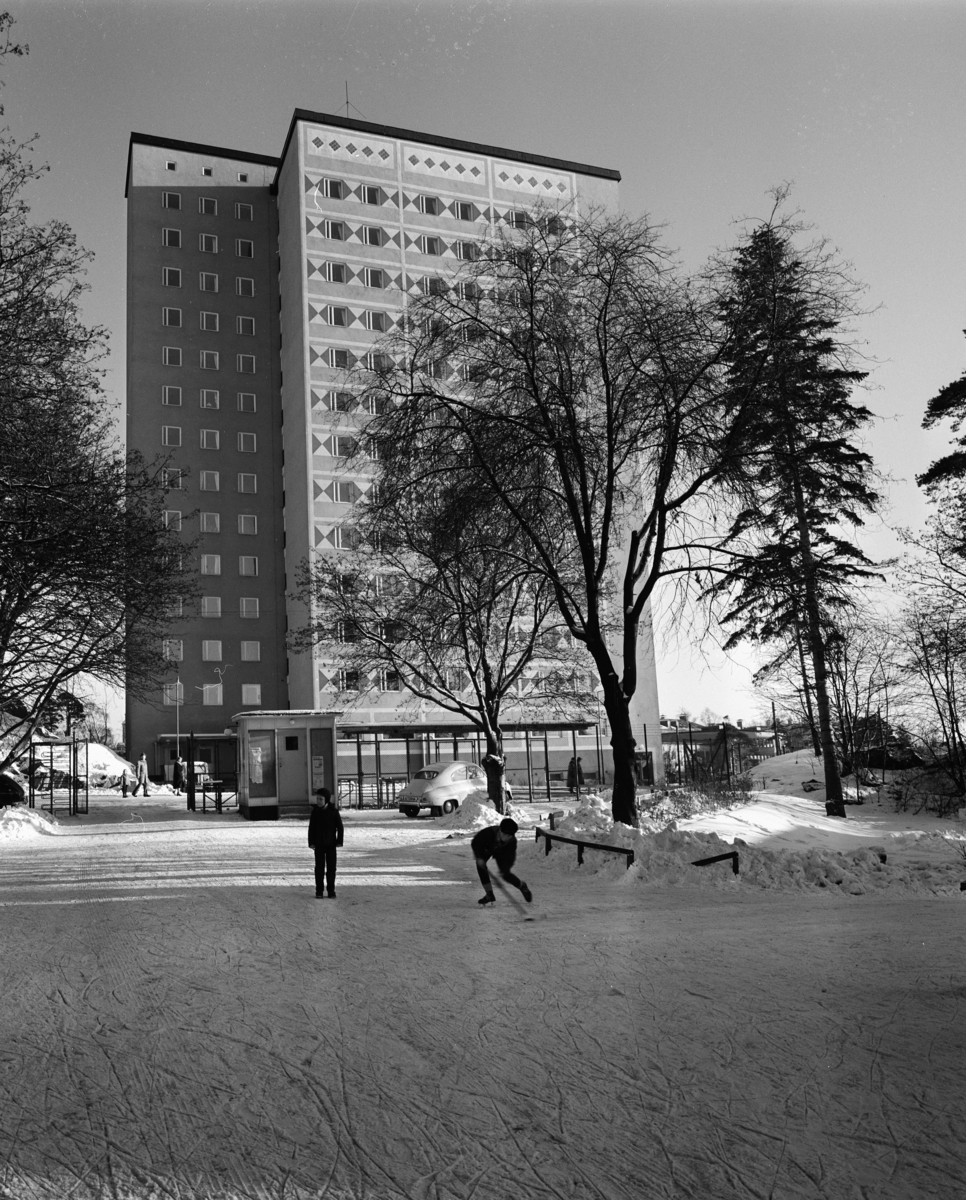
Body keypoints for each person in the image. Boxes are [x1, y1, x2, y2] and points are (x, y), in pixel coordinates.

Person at [471, 817, 532, 907]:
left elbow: (509, 859)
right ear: (499, 830)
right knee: (480, 866)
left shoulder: (511, 842)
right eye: (503, 834)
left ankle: (522, 886)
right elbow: (475, 843)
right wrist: (479, 857)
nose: (505, 838)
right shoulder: (489, 832)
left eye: (509, 836)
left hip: (503, 851)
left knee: (505, 874)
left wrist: (503, 871)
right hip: (488, 847)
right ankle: (489, 894)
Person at [308, 787, 344, 898]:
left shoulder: (333, 812)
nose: (318, 801)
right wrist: (311, 842)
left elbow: (340, 827)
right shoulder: (315, 812)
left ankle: (331, 891)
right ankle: (319, 891)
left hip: (331, 845)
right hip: (318, 845)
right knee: (319, 868)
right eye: (317, 799)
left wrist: (339, 841)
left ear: (326, 800)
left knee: (331, 868)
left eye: (321, 799)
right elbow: (311, 828)